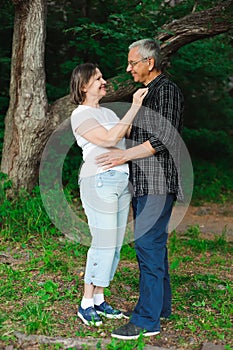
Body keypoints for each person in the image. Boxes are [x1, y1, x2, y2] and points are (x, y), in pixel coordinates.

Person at [96, 39, 184, 339]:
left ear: (149, 62)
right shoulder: (145, 95)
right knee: (154, 246)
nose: (128, 67)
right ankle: (161, 308)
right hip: (144, 183)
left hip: (158, 183)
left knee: (147, 246)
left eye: (132, 62)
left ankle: (146, 320)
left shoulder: (167, 91)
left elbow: (166, 138)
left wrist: (123, 155)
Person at [70, 63, 148, 327]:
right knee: (102, 242)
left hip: (121, 179)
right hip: (98, 180)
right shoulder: (80, 115)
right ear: (83, 86)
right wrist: (134, 106)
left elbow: (128, 133)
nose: (104, 82)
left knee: (114, 245)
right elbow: (108, 138)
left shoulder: (108, 112)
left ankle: (100, 299)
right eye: (98, 79)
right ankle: (86, 302)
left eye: (102, 77)